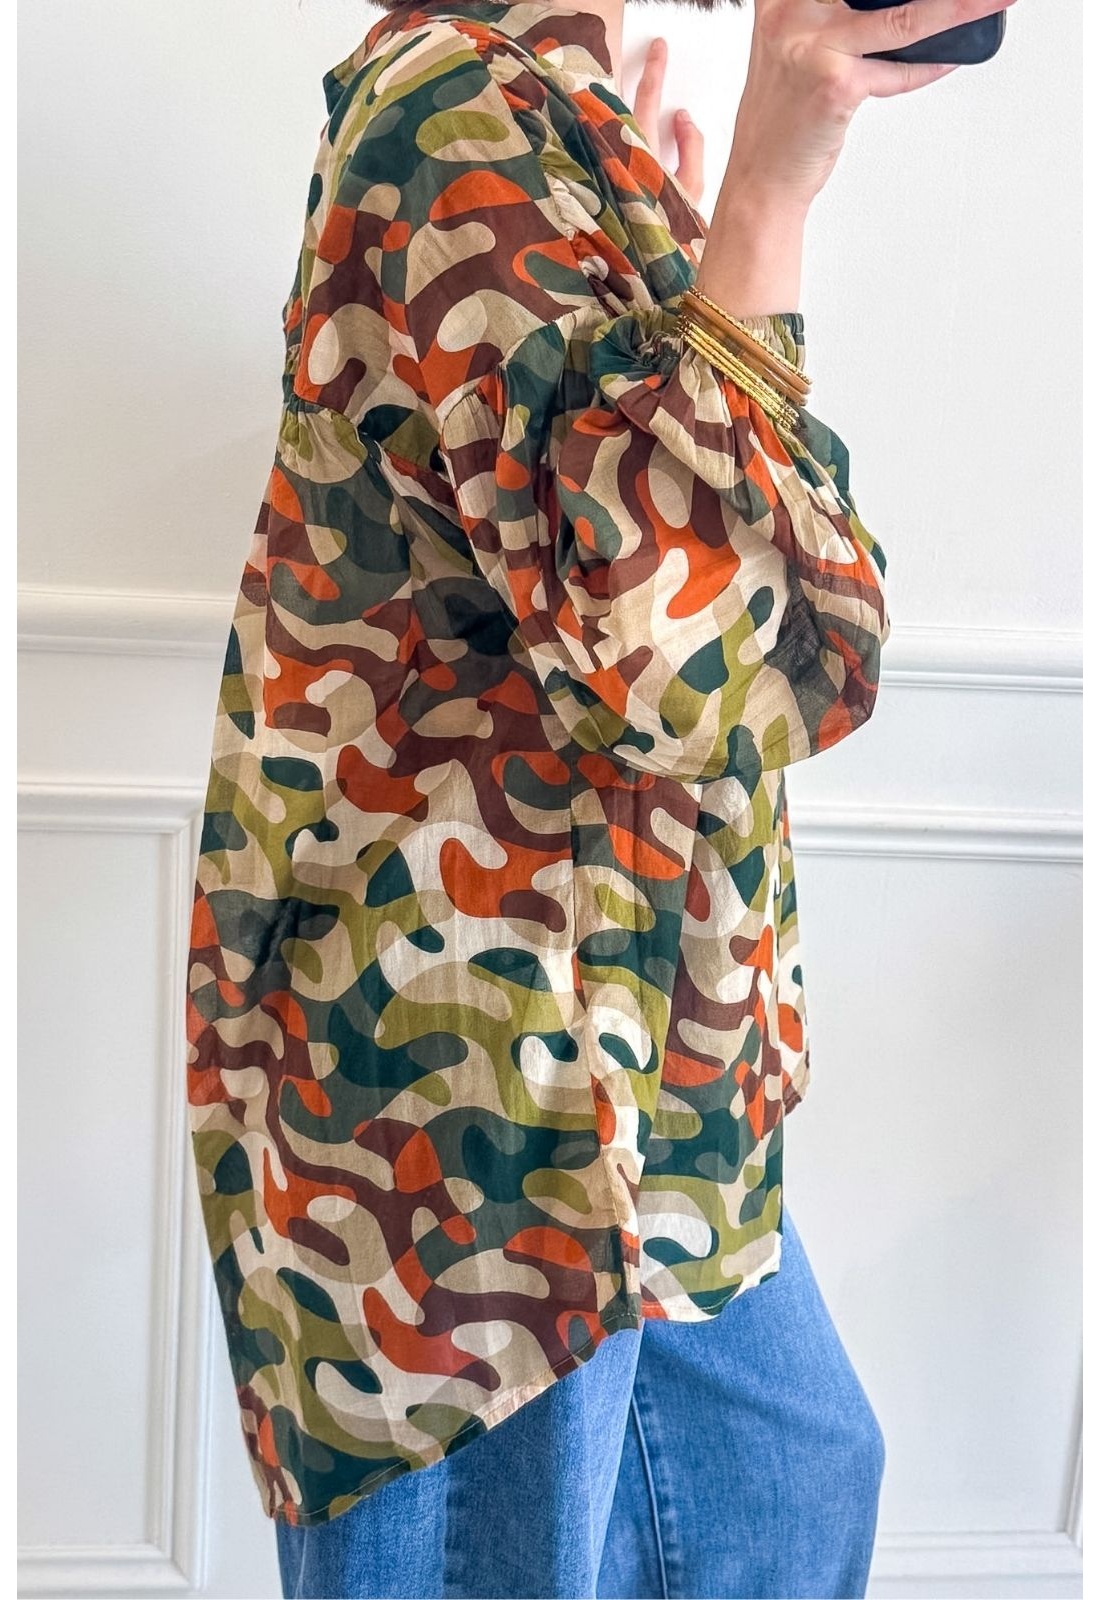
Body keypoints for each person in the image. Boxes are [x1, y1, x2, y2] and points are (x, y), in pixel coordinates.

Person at [183, 0, 1009, 1594]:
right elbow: (676, 654)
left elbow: (658, 584)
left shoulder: (555, 115)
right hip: (490, 1130)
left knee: (791, 1485)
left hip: (628, 1079)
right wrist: (767, 195)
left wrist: (701, 271)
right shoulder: (456, 113)